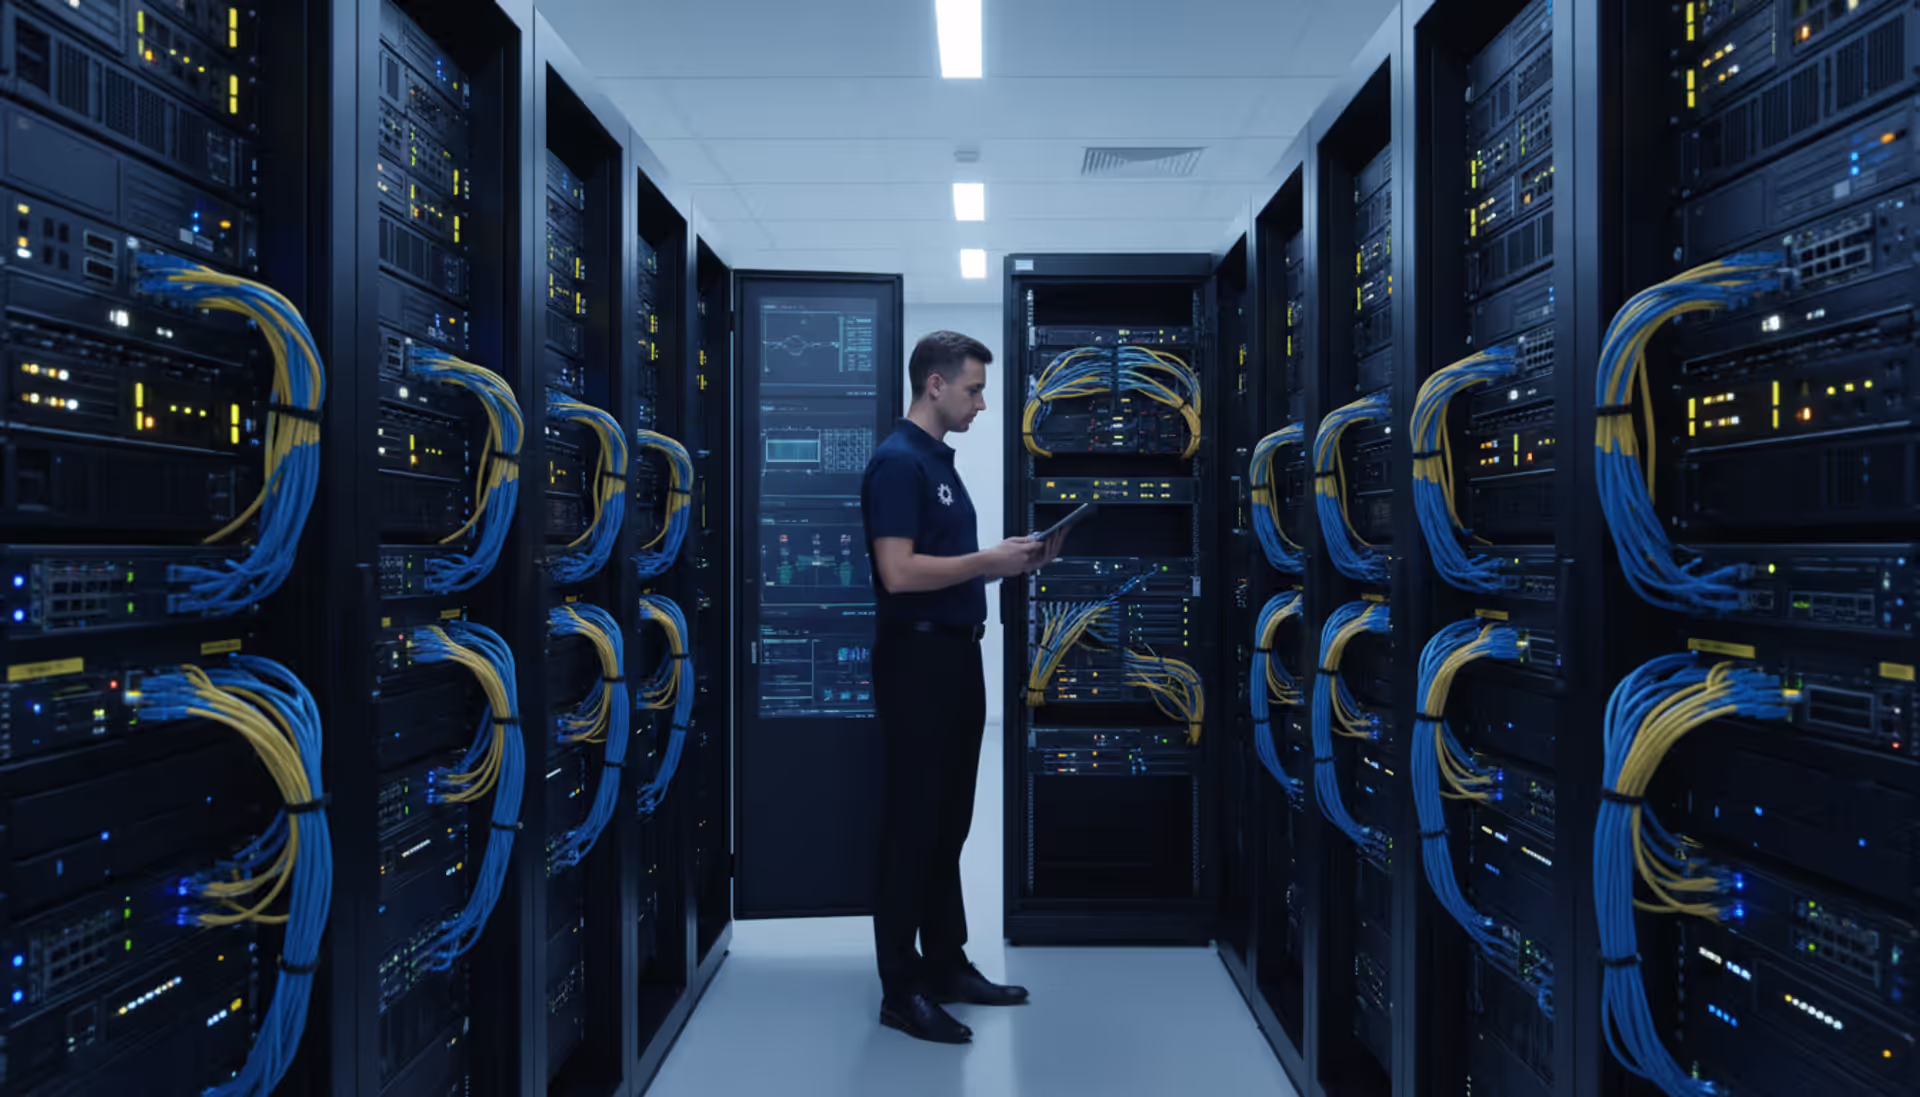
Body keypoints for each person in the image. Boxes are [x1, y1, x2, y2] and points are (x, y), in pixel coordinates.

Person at [860, 330, 1059, 1044]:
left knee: (948, 822)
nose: (982, 402)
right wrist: (988, 560)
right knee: (912, 825)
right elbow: (899, 573)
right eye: (974, 388)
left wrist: (1014, 561)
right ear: (934, 385)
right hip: (915, 662)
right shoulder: (896, 462)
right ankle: (899, 986)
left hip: (954, 659)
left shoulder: (936, 463)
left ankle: (946, 963)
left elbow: (947, 561)